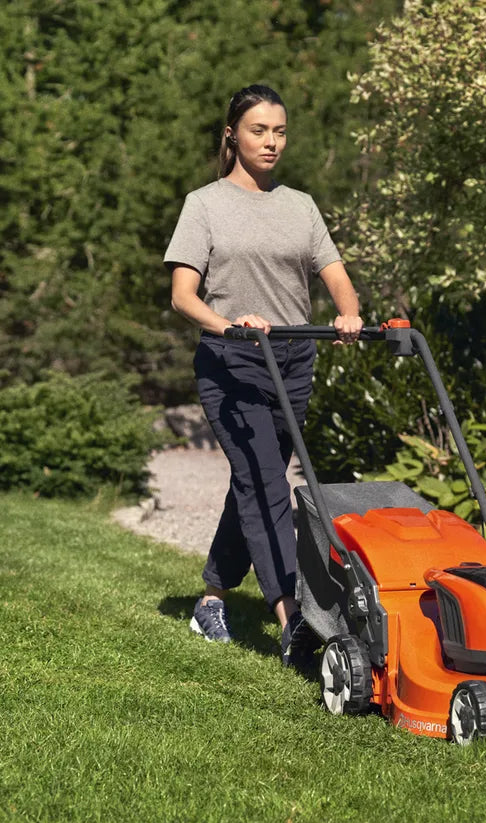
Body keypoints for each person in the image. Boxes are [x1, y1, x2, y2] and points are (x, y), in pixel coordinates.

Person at [164, 84, 363, 663]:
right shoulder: (205, 204)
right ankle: (291, 618)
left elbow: (334, 273)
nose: (271, 141)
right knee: (267, 484)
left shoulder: (300, 205)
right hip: (232, 363)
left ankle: (211, 599)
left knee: (256, 479)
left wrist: (348, 313)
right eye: (259, 130)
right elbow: (182, 295)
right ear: (233, 134)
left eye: (279, 131)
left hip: (294, 361)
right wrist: (230, 325)